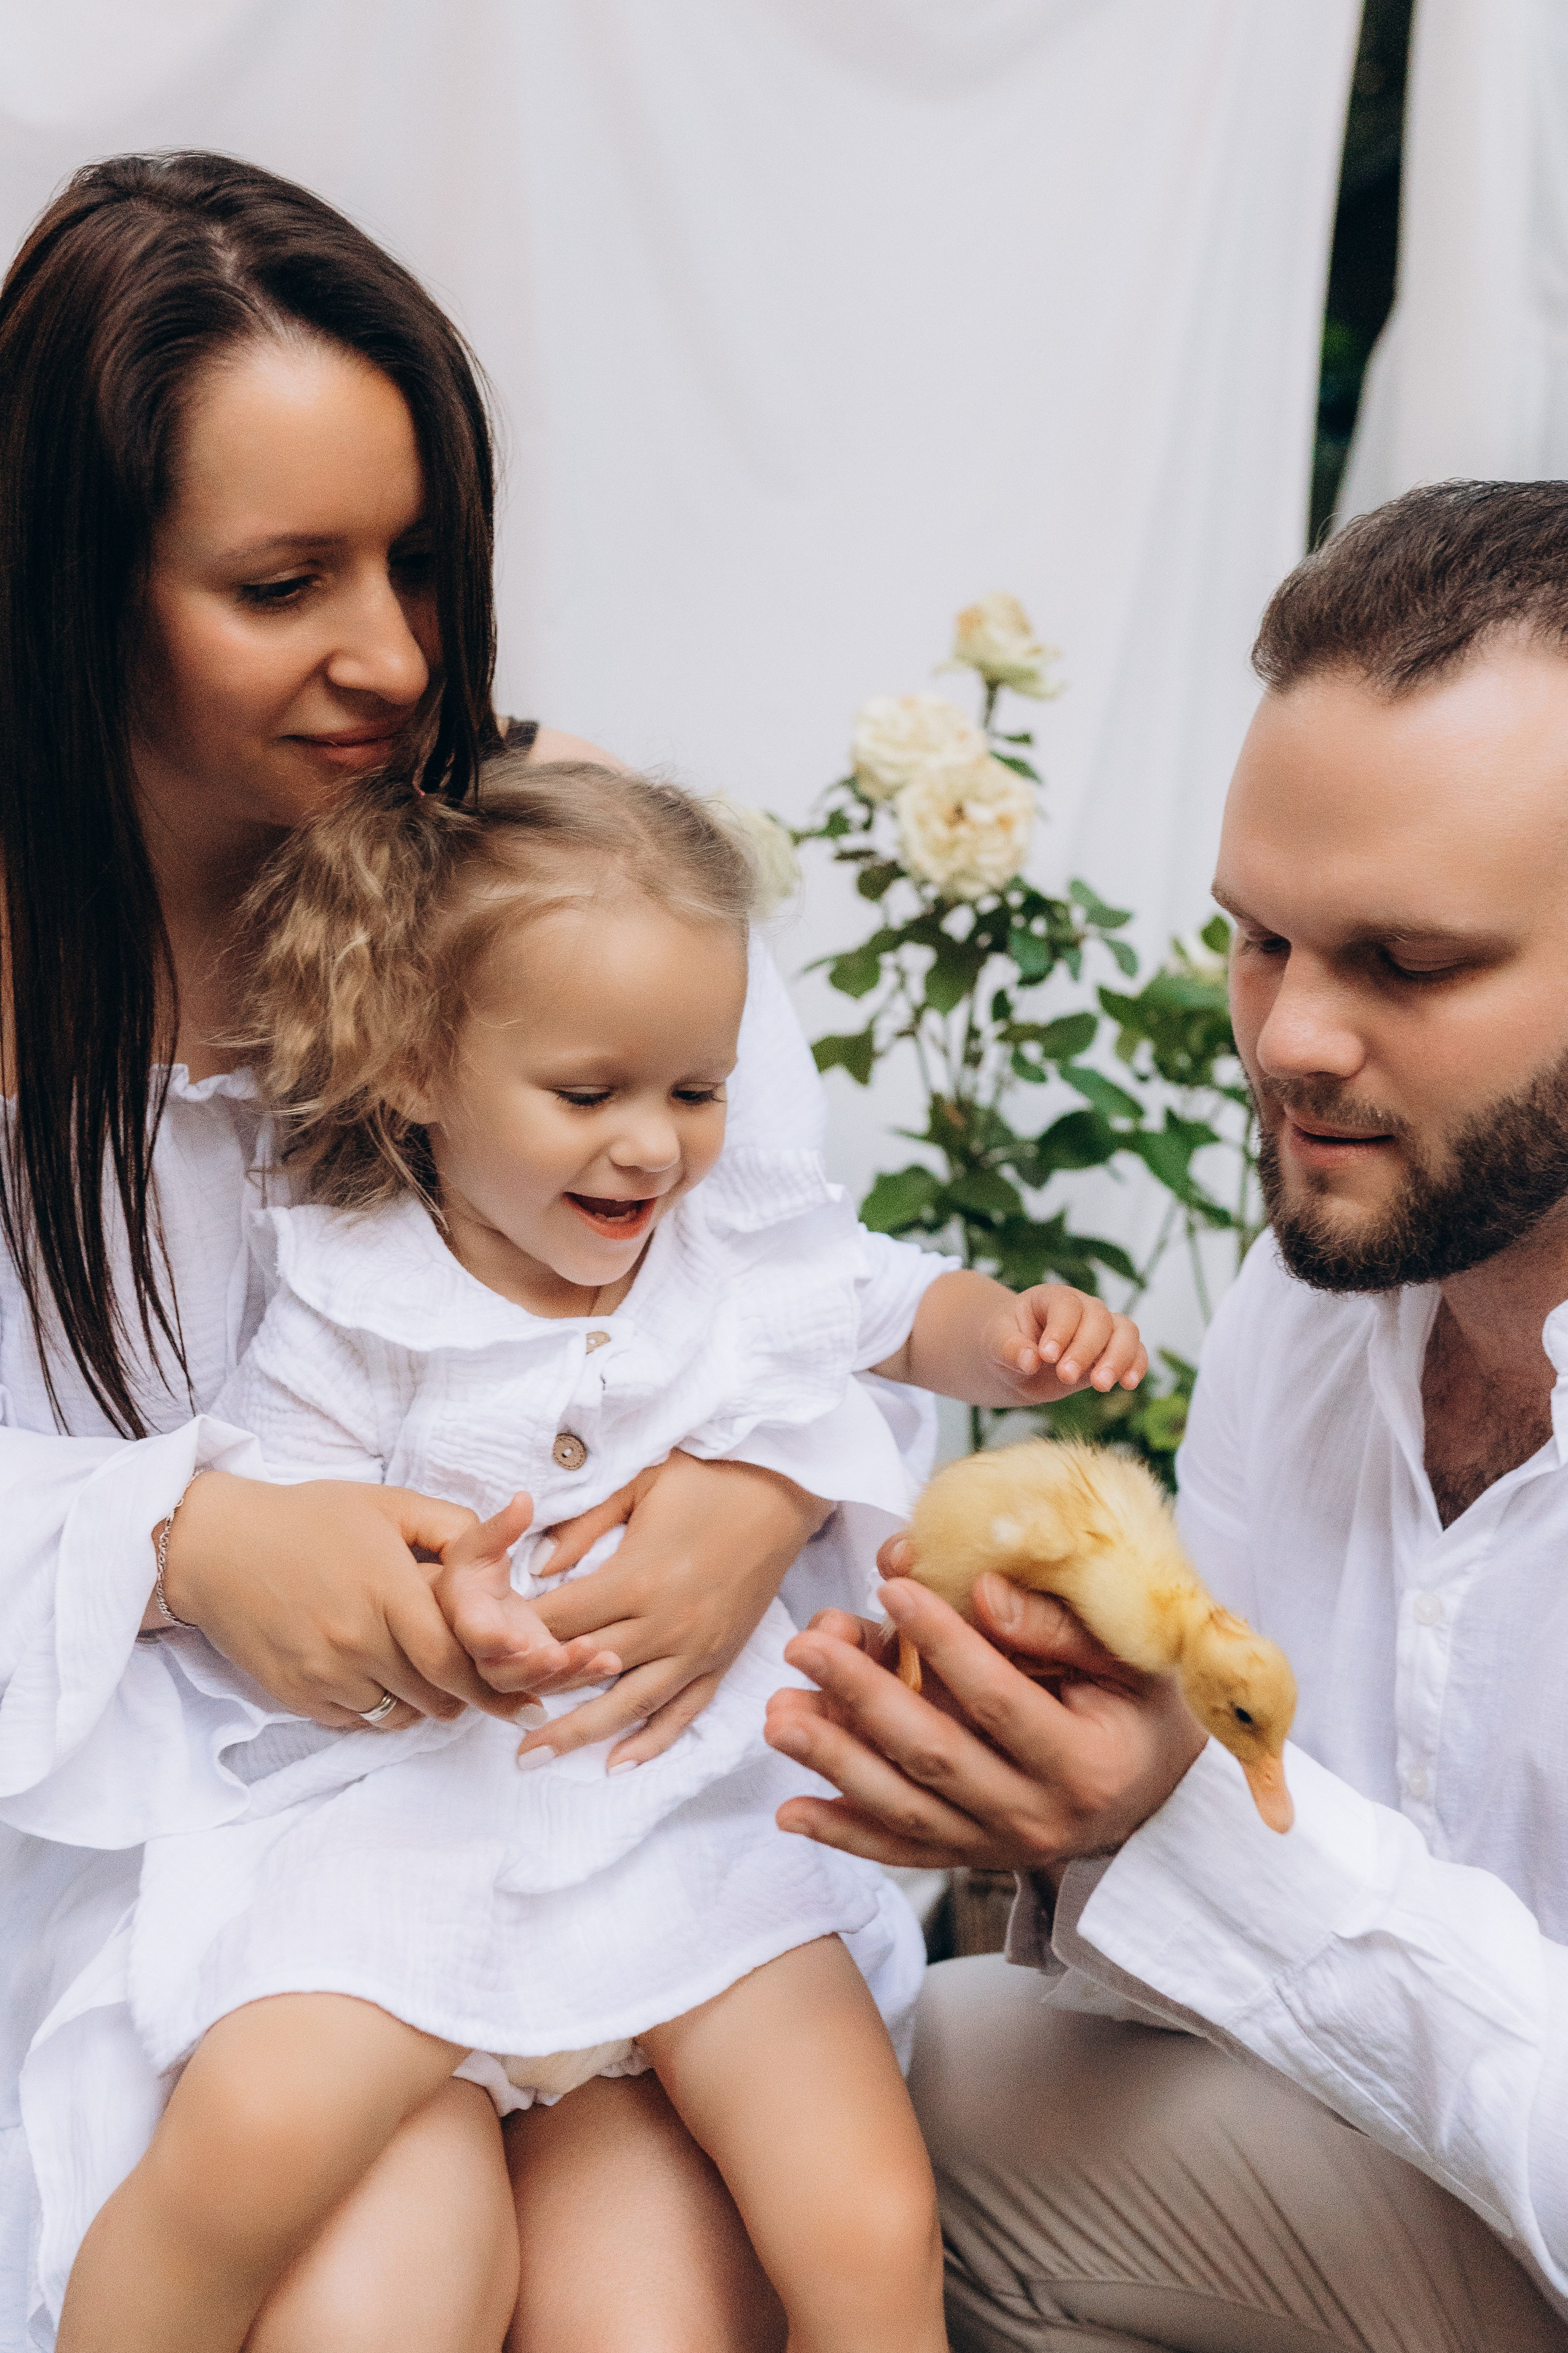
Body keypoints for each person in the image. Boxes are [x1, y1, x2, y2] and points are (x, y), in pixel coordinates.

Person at [0, 148, 1134, 2353]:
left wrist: (742, 1497)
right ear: (74, 588)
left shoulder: (556, 886)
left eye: (420, 558)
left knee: (656, 2303)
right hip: (204, 1843)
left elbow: (785, 1281)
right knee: (386, 2265)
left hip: (626, 1817)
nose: (395, 652)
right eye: (283, 580)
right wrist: (186, 1538)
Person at [51, 750, 1147, 2353]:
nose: (652, 1148)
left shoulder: (738, 1265)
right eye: (591, 1095)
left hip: (682, 1820)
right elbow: (303, 1534)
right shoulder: (364, 1296)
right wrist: (436, 1604)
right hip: (410, 1824)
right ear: (420, 1068)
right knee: (246, 2143)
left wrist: (1018, 1334)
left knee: (864, 2205)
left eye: (695, 1093)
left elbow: (899, 1307)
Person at [766, 480, 1568, 2353]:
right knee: (865, 2052)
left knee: (934, 2090)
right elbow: (1249, 1914)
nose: (1286, 1036)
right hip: (1419, 2220)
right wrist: (1049, 1788)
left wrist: (1193, 1829)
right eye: (1262, 939)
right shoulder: (1319, 1300)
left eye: (1408, 961)